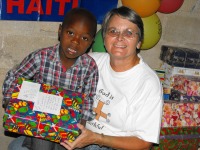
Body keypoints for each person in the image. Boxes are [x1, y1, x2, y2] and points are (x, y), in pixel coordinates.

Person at [60, 6, 163, 150]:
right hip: (80, 133)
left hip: (113, 145)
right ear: (104, 38)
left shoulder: (148, 82)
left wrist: (97, 138)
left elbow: (144, 143)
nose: (120, 38)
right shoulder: (92, 62)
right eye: (113, 31)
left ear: (139, 42)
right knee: (19, 146)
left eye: (129, 33)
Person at [2, 8, 99, 150]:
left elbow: (88, 100)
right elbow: (14, 77)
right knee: (43, 141)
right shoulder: (41, 57)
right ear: (60, 31)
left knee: (63, 143)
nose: (75, 42)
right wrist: (11, 99)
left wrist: (78, 127)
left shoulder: (89, 67)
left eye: (84, 38)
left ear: (91, 41)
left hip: (66, 125)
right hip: (39, 122)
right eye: (70, 33)